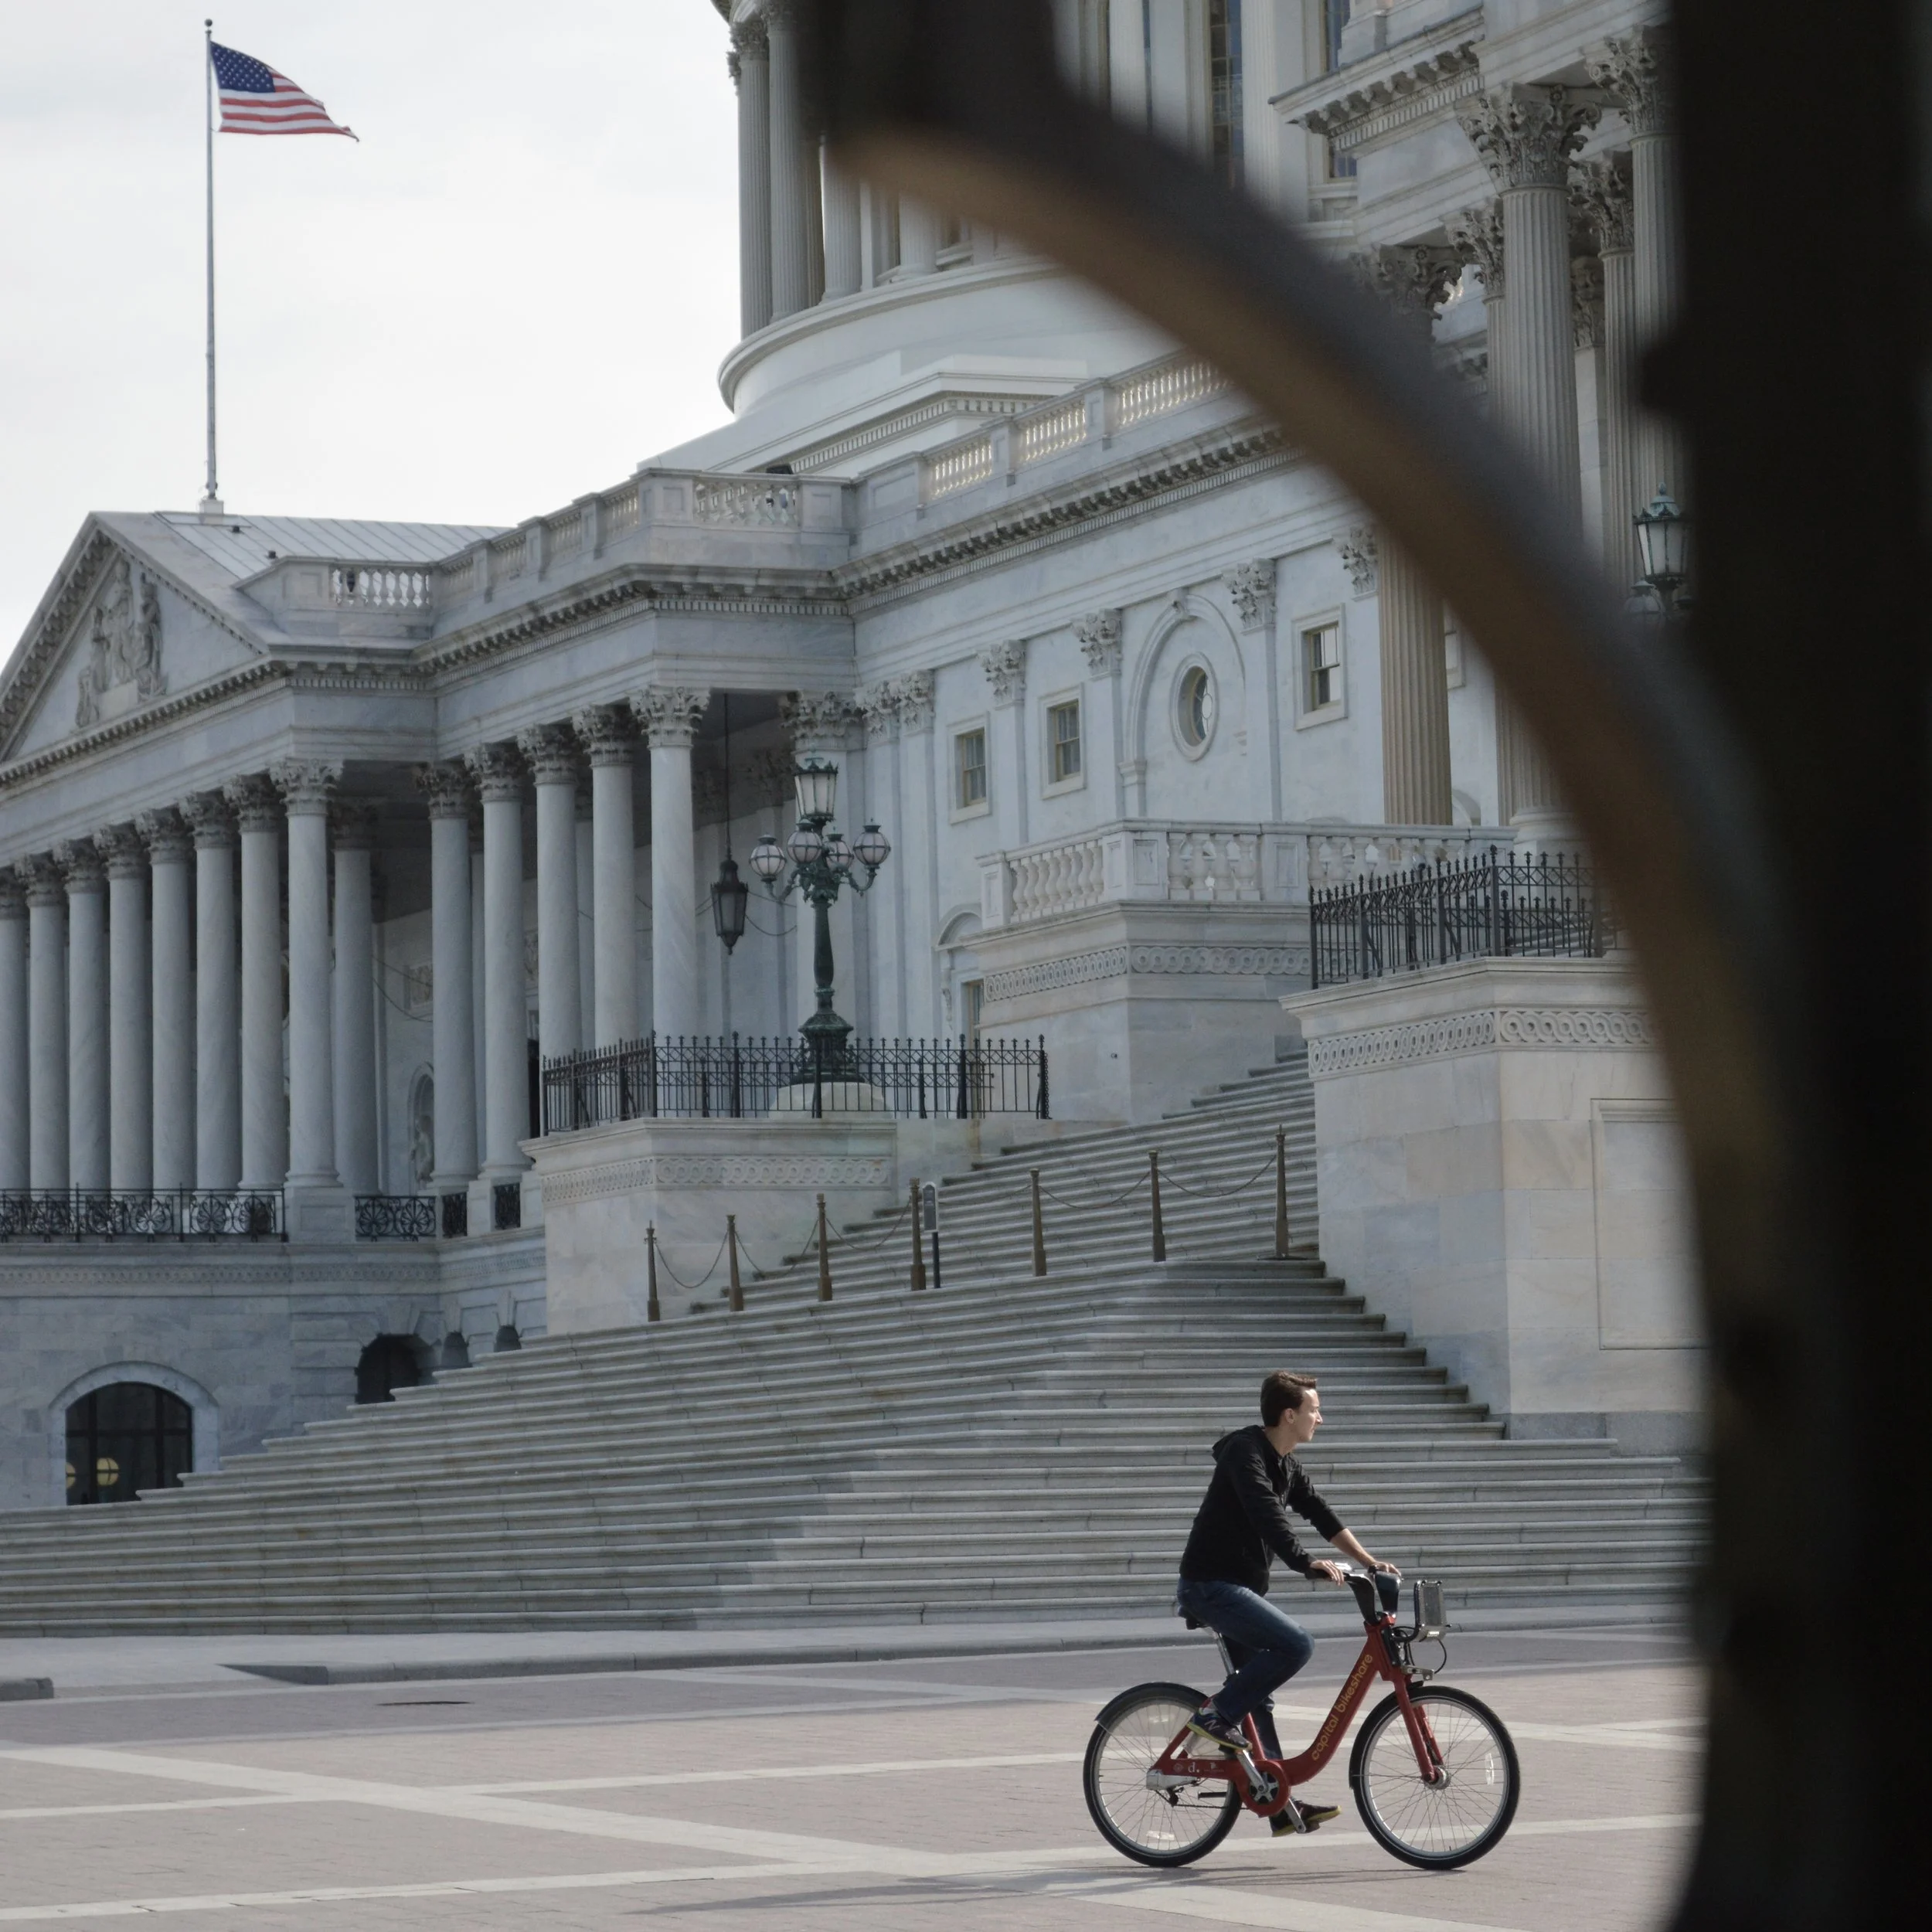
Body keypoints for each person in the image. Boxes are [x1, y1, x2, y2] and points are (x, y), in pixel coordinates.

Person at [1175, 1369, 1400, 1837]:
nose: (1321, 1418)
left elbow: (1318, 1511)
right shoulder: (1245, 1452)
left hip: (1239, 1591)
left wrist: (1368, 1561)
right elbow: (1265, 1513)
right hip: (1211, 1586)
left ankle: (1276, 1801)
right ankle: (1214, 1716)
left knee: (1257, 1698)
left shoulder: (1285, 1463)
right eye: (1315, 1410)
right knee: (1296, 1645)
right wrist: (1304, 1562)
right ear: (1289, 1414)